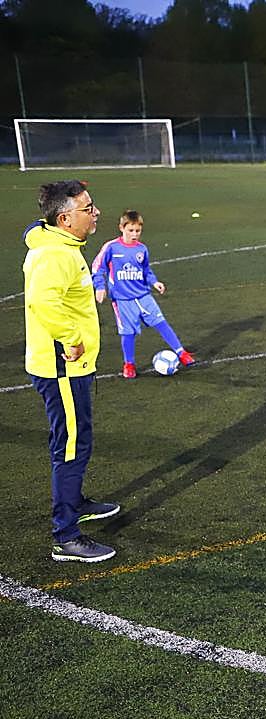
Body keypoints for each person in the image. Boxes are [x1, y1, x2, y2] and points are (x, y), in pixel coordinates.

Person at [24, 180, 120, 562]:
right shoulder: (54, 256)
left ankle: (76, 502)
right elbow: (42, 302)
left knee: (73, 438)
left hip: (68, 365)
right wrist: (70, 338)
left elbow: (33, 229)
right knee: (71, 445)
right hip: (61, 366)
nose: (95, 213)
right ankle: (66, 534)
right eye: (88, 208)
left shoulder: (58, 243)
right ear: (64, 219)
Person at [90, 210, 196, 379]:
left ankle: (181, 352)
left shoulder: (141, 249)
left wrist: (154, 282)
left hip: (143, 295)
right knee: (127, 333)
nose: (134, 234)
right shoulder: (111, 247)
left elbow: (146, 270)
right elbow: (97, 268)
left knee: (161, 322)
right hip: (123, 300)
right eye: (130, 230)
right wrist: (100, 286)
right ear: (121, 228)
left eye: (137, 231)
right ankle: (129, 364)